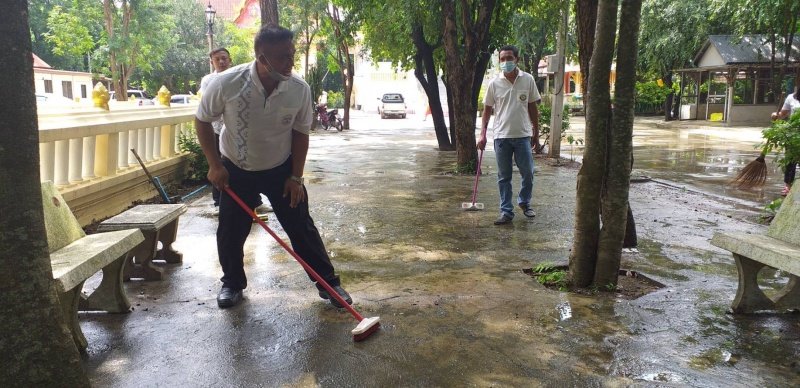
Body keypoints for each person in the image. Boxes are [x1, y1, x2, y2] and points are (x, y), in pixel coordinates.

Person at [195, 24, 352, 309]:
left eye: (291, 55)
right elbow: (202, 120)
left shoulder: (299, 89)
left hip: (281, 169)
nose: (289, 63)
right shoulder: (227, 82)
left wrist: (296, 176)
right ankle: (232, 284)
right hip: (236, 169)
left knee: (301, 227)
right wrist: (214, 165)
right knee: (230, 229)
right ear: (261, 57)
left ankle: (329, 283)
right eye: (282, 57)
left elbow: (301, 133)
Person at [200, 48, 272, 215]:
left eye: (224, 58)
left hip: (239, 131)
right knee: (219, 167)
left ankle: (256, 202)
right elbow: (206, 112)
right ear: (212, 62)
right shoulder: (208, 80)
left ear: (230, 60)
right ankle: (219, 203)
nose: (221, 62)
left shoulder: (241, 77)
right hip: (218, 130)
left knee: (248, 168)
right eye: (217, 59)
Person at [478, 45, 541, 225]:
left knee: (528, 173)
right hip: (501, 137)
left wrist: (535, 132)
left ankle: (524, 202)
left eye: (509, 58)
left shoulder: (527, 79)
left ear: (517, 59)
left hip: (522, 135)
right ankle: (506, 211)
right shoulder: (494, 83)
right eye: (503, 59)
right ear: (499, 61)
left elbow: (532, 107)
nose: (506, 62)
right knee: (504, 177)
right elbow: (487, 110)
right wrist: (482, 134)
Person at [771, 89, 800, 196]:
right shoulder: (791, 97)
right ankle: (788, 186)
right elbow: (782, 114)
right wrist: (775, 115)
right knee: (790, 161)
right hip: (793, 134)